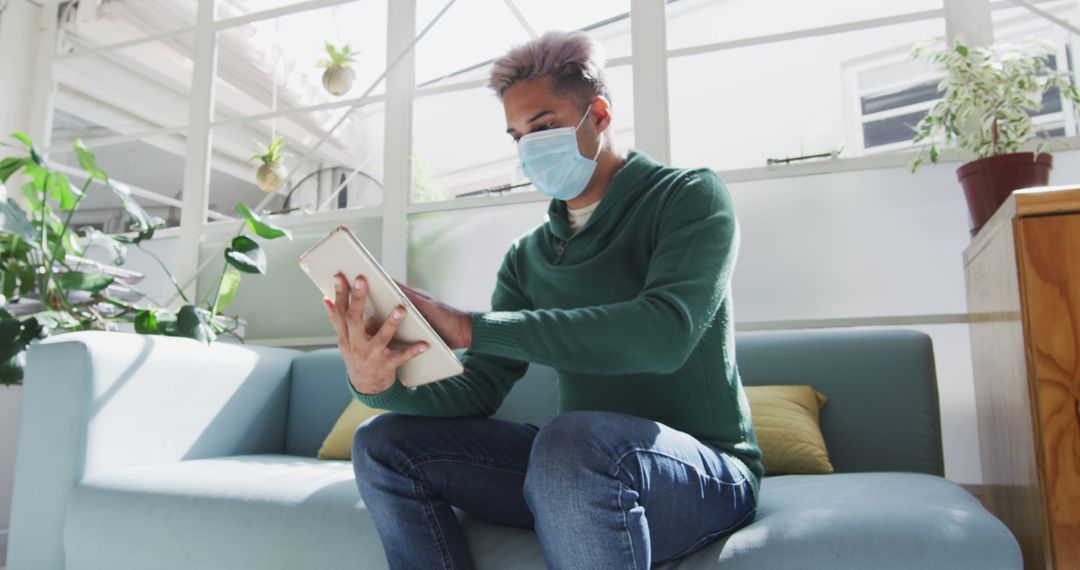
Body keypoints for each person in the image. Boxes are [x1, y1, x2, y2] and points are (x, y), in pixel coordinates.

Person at [322, 29, 762, 570]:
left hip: (701, 472)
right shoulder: (527, 256)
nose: (530, 148)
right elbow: (481, 387)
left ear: (598, 114)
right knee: (383, 443)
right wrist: (377, 384)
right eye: (516, 136)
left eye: (545, 126)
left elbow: (665, 335)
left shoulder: (689, 197)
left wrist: (470, 326)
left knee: (570, 440)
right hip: (577, 470)